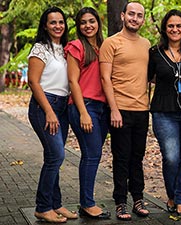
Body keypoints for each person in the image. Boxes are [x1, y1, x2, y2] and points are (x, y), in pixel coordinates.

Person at [99, 1, 151, 221]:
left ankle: (138, 198)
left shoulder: (147, 44)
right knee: (121, 158)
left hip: (142, 109)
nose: (135, 18)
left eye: (139, 15)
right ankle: (121, 201)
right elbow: (105, 78)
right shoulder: (111, 43)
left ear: (143, 19)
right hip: (120, 109)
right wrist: (114, 109)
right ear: (122, 16)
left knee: (137, 157)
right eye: (131, 14)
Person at [148, 9, 181, 218]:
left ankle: (179, 200)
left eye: (178, 26)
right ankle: (171, 195)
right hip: (163, 113)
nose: (175, 29)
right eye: (170, 26)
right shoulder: (155, 52)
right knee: (171, 157)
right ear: (165, 29)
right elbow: (148, 78)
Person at [27, 6, 77, 223]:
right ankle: (43, 207)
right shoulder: (40, 49)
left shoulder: (64, 48)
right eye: (53, 22)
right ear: (45, 26)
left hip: (63, 106)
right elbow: (33, 82)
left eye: (61, 22)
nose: (58, 26)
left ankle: (55, 204)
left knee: (53, 158)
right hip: (44, 106)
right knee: (56, 155)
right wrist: (48, 111)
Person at [65, 7, 111, 219]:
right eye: (83, 22)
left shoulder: (104, 46)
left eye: (91, 21)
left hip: (103, 108)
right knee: (92, 155)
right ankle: (87, 204)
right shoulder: (76, 46)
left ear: (98, 22)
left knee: (92, 154)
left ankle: (87, 202)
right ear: (78, 26)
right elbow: (73, 81)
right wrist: (83, 112)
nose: (88, 25)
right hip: (85, 106)